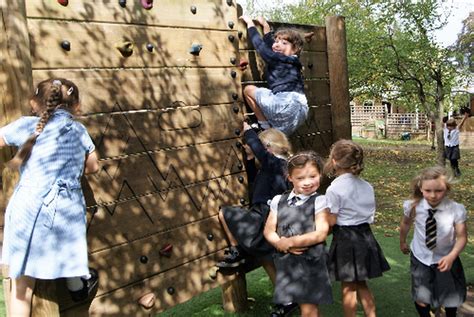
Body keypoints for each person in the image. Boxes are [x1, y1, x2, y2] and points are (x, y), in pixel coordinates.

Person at [0, 78, 100, 316]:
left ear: (34, 103)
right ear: (76, 106)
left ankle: (76, 282)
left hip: (29, 207)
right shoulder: (78, 130)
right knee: (69, 251)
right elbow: (94, 166)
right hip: (67, 208)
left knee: (21, 290)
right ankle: (77, 283)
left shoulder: (27, 125)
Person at [217, 122, 291, 285]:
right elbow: (252, 176)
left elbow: (261, 154)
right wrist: (250, 158)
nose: (248, 147)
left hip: (262, 218)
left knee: (224, 212)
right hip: (266, 218)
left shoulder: (277, 164)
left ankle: (236, 250)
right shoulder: (277, 166)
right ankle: (285, 299)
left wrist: (249, 132)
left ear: (268, 147)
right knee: (266, 259)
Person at [324, 140, 390, 317]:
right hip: (365, 236)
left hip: (346, 239)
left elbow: (331, 221)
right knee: (361, 283)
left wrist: (322, 217)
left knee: (348, 287)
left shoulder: (334, 188)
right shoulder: (367, 186)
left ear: (335, 161)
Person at [264, 151, 333, 317]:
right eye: (300, 178)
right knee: (306, 307)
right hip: (288, 262)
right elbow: (268, 230)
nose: (307, 182)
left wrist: (291, 242)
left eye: (313, 176)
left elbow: (321, 233)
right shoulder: (278, 200)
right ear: (289, 177)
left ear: (320, 175)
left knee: (309, 309)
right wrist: (280, 243)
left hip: (311, 262)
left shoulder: (320, 201)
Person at [399, 166, 467, 317]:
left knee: (450, 297)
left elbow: (462, 236)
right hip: (420, 257)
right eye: (428, 190)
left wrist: (452, 256)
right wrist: (402, 241)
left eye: (439, 190)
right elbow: (405, 224)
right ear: (421, 189)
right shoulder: (413, 206)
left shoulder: (456, 209)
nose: (433, 195)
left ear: (447, 189)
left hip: (446, 258)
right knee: (421, 297)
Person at [239, 16, 308, 136]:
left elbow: (260, 46)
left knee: (248, 90)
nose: (277, 45)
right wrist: (266, 27)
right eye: (276, 41)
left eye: (284, 43)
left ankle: (264, 127)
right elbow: (272, 47)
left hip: (284, 105)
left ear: (295, 49)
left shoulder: (277, 59)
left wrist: (250, 24)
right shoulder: (293, 61)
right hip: (302, 110)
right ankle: (272, 134)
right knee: (274, 140)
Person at [443, 112, 468, 177]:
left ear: (454, 126)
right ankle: (453, 170)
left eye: (451, 126)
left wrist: (465, 117)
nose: (449, 127)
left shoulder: (456, 129)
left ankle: (457, 169)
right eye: (448, 126)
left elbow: (461, 124)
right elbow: (442, 123)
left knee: (454, 159)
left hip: (455, 147)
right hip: (448, 147)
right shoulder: (445, 129)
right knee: (451, 160)